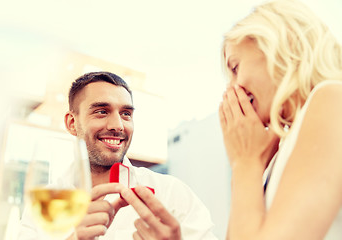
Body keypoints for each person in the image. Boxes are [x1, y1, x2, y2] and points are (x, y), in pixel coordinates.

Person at [19, 71, 217, 240]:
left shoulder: (172, 194)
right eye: (102, 111)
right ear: (72, 123)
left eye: (126, 114)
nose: (118, 126)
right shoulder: (44, 203)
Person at [219, 0, 342, 239]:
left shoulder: (331, 97)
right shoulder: (278, 154)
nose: (232, 89)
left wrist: (245, 163)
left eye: (235, 68)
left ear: (282, 44)